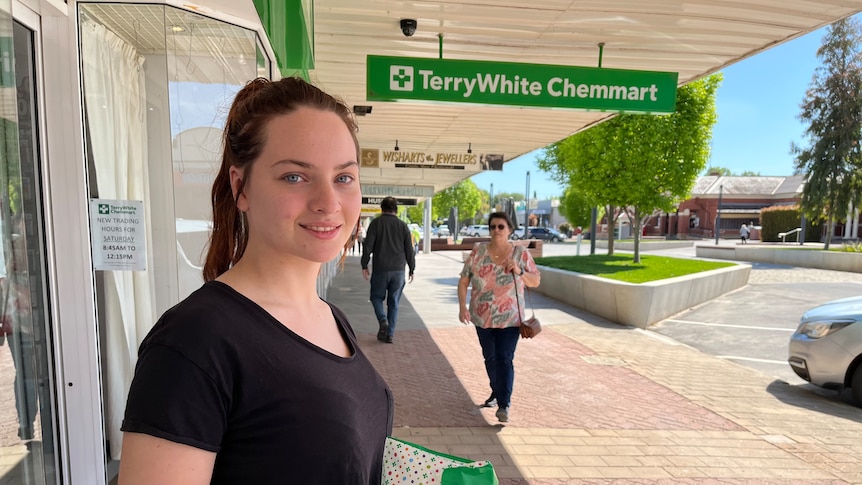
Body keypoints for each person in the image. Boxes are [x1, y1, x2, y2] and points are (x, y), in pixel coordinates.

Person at [118, 77, 392, 485]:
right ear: (240, 186)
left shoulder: (330, 318)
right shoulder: (194, 342)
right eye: (295, 177)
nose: (328, 202)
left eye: (343, 177)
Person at [457, 212, 540, 423]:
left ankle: (504, 404)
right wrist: (462, 307)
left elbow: (535, 281)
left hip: (510, 318)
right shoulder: (478, 251)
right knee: (490, 358)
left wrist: (520, 271)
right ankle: (497, 390)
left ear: (509, 229)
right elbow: (464, 281)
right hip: (482, 316)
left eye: (501, 226)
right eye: (493, 226)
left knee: (505, 358)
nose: (496, 230)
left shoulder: (520, 254)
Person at [361, 197, 415, 343]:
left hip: (381, 269)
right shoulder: (403, 226)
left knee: (376, 298)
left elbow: (368, 246)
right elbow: (409, 249)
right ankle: (390, 334)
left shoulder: (376, 223)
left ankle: (383, 320)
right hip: (398, 270)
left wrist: (364, 264)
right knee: (394, 303)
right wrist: (412, 268)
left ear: (382, 208)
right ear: (396, 209)